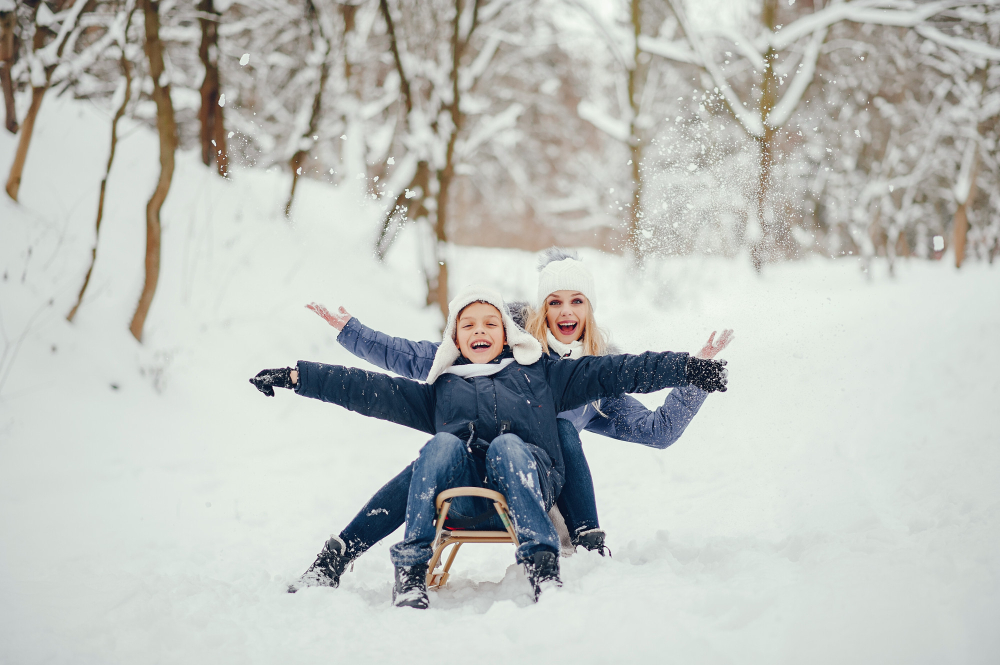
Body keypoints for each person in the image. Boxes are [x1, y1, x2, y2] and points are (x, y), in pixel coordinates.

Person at [287, 248, 734, 594]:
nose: (565, 313)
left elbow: (653, 422)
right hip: (470, 468)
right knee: (437, 451)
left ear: (590, 310)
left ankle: (587, 539)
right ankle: (341, 556)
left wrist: (691, 373)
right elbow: (406, 365)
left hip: (539, 484)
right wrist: (351, 334)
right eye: (553, 301)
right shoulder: (495, 339)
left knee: (558, 428)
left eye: (577, 301)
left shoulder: (583, 372)